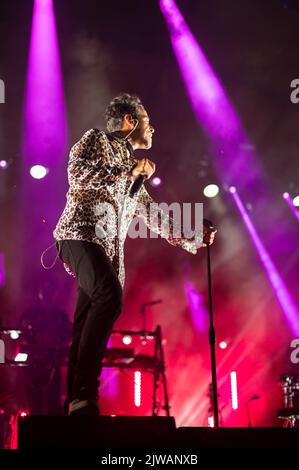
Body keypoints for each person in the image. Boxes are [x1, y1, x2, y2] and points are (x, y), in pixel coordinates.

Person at [53, 93, 216, 416]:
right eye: (148, 122)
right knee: (109, 297)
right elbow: (78, 174)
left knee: (87, 318)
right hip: (78, 236)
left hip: (103, 250)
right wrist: (129, 171)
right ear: (130, 122)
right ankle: (86, 393)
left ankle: (75, 401)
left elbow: (156, 218)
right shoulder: (97, 140)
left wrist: (196, 236)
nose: (153, 130)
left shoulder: (133, 173)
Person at [18, 281, 71, 415]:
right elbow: (20, 334)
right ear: (39, 293)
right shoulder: (30, 315)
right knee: (34, 399)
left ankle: (53, 430)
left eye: (50, 290)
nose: (48, 293)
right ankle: (34, 428)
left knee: (53, 397)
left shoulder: (61, 317)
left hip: (53, 361)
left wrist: (55, 346)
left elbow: (69, 335)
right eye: (45, 290)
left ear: (56, 293)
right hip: (33, 363)